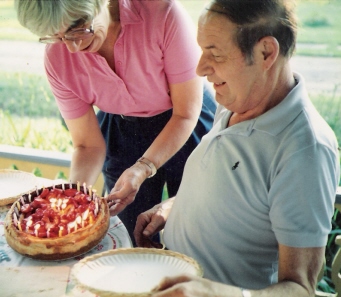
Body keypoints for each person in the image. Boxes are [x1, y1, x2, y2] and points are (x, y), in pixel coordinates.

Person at [134, 0, 341, 296]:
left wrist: (217, 294)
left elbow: (300, 288)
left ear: (265, 52)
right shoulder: (237, 98)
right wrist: (174, 207)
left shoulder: (305, 149)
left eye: (214, 53)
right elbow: (236, 188)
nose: (200, 68)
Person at [14, 0, 216, 244]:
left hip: (186, 121)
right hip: (123, 127)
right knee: (134, 231)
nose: (73, 47)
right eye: (58, 36)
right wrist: (72, 202)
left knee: (193, 225)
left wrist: (142, 167)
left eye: (79, 27)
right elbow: (87, 145)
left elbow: (185, 113)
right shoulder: (58, 58)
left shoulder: (162, 13)